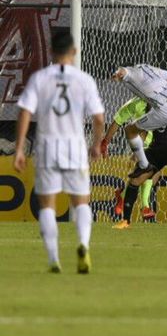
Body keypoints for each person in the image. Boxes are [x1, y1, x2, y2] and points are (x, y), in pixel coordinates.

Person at [13, 32, 105, 273]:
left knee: (47, 206)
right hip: (74, 147)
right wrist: (96, 144)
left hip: (47, 147)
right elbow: (98, 118)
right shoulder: (84, 80)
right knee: (82, 201)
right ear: (74, 52)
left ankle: (54, 258)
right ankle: (83, 245)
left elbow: (24, 112)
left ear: (51, 52)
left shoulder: (40, 78)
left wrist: (20, 148)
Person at [101, 96, 167, 221]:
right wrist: (136, 151)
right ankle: (132, 214)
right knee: (138, 176)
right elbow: (133, 127)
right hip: (152, 146)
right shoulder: (142, 105)